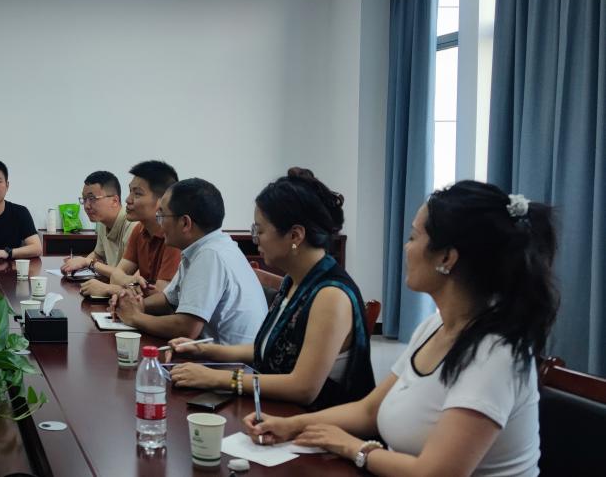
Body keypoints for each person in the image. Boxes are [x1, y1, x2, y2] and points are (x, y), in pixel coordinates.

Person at [243, 181, 556, 476]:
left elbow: (435, 473)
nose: (406, 248)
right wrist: (292, 425)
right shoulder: (435, 326)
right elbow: (369, 410)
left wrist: (354, 448)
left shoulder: (495, 353)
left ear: (447, 257)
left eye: (414, 237)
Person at [164, 168, 374, 410]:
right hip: (277, 410)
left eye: (260, 230)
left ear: (295, 235)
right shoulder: (294, 280)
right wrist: (203, 350)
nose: (255, 239)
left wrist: (217, 378)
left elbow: (303, 388)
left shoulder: (331, 295)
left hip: (316, 422)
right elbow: (267, 349)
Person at [110, 178, 267, 342]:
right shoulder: (204, 247)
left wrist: (135, 317)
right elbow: (169, 300)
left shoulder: (210, 255)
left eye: (161, 215)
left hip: (228, 357)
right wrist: (133, 303)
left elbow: (187, 328)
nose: (159, 223)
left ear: (185, 223)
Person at [80, 160, 181, 298]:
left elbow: (161, 297)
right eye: (130, 191)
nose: (128, 199)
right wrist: (130, 283)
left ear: (162, 201)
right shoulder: (139, 230)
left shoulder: (174, 236)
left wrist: (111, 289)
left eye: (137, 194)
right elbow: (116, 276)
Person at [59, 170, 135, 281]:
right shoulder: (102, 223)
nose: (86, 206)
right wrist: (77, 264)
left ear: (114, 200)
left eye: (92, 199)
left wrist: (87, 262)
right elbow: (98, 254)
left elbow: (124, 275)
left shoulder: (132, 225)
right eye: (84, 199)